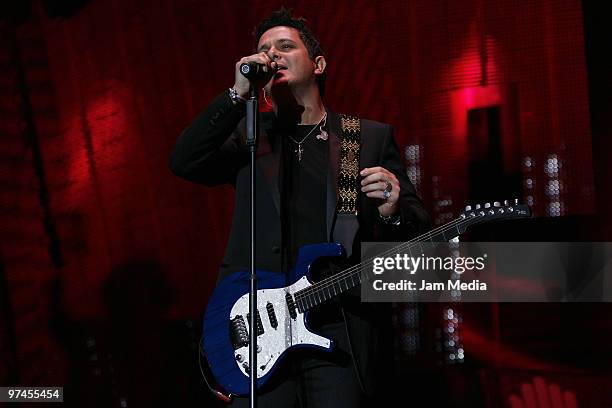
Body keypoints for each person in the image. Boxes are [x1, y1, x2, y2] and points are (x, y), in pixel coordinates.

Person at [170, 8, 430, 408]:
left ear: (319, 63)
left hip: (336, 327)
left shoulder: (365, 138)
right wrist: (238, 94)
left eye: (285, 46)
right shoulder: (248, 136)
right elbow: (184, 161)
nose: (271, 55)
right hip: (257, 330)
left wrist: (393, 209)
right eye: (263, 50)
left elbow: (416, 239)